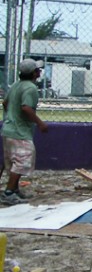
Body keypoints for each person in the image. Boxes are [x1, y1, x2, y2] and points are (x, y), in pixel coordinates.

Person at [2, 58, 48, 205]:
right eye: (38, 70)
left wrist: (10, 116)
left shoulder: (16, 85)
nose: (39, 71)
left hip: (9, 129)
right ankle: (9, 192)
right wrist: (40, 123)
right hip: (20, 132)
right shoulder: (30, 88)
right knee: (22, 161)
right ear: (34, 73)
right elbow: (26, 108)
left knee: (13, 161)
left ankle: (15, 190)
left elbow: (5, 102)